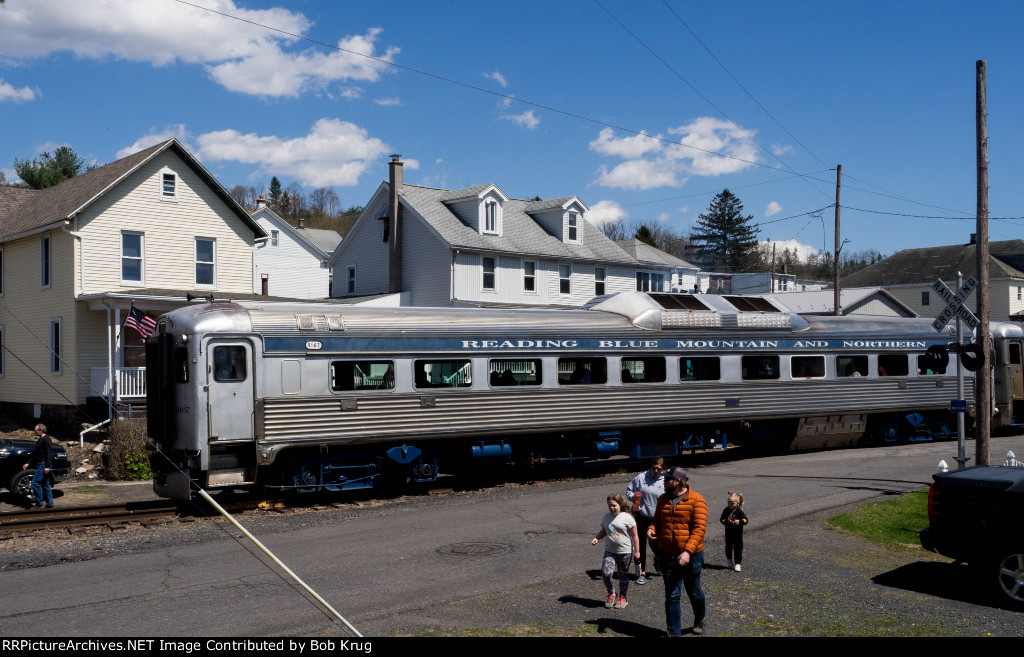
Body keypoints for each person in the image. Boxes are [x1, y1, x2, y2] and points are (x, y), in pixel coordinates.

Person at [649, 466, 707, 636]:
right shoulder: (662, 499)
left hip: (692, 555)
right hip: (667, 554)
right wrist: (652, 529)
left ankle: (699, 619)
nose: (664, 482)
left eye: (667, 479)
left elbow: (699, 530)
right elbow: (656, 521)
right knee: (672, 596)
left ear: (679, 481)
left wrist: (688, 552)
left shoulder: (696, 500)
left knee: (694, 592)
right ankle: (674, 633)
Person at [591, 493, 640, 610]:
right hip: (610, 551)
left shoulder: (627, 517)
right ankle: (612, 594)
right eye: (609, 506)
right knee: (606, 573)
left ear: (620, 504)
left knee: (623, 576)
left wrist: (637, 551)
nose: (612, 508)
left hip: (625, 551)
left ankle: (623, 597)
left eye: (614, 505)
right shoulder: (607, 517)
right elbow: (603, 531)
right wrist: (596, 538)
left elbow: (635, 535)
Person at [625, 457, 666, 585]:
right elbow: (629, 490)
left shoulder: (665, 480)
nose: (655, 471)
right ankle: (641, 573)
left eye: (658, 469)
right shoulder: (640, 478)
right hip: (642, 516)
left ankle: (658, 558)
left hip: (657, 518)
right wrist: (633, 497)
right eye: (653, 468)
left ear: (662, 469)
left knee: (656, 543)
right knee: (640, 544)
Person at [22, 423, 54, 509]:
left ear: (41, 430)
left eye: (36, 430)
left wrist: (47, 466)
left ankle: (39, 503)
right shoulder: (40, 439)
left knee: (35, 483)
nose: (34, 432)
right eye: (35, 430)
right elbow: (36, 454)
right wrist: (28, 463)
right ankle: (50, 504)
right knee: (45, 484)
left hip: (43, 464)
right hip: (41, 463)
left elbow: (49, 454)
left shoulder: (46, 440)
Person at [720, 492, 748, 572]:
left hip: (738, 534)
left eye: (732, 503)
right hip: (728, 533)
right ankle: (729, 560)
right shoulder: (726, 510)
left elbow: (746, 520)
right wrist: (726, 521)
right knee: (728, 547)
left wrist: (739, 521)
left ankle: (737, 563)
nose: (730, 505)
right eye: (729, 503)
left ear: (737, 503)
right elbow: (721, 520)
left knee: (738, 548)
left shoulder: (739, 511)